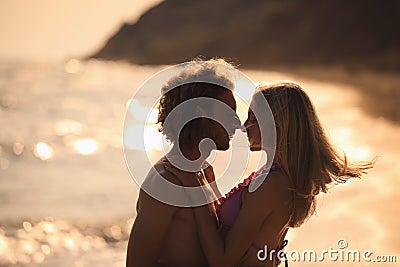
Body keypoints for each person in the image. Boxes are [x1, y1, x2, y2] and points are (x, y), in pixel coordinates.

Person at [165, 81, 374, 267]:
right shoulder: (276, 177)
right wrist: (209, 185)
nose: (244, 127)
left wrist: (197, 193)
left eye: (253, 119)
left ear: (276, 124)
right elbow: (240, 224)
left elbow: (223, 260)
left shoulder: (273, 185)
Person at [126, 59, 240, 267]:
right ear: (200, 114)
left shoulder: (205, 172)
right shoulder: (165, 182)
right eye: (228, 112)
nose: (238, 123)